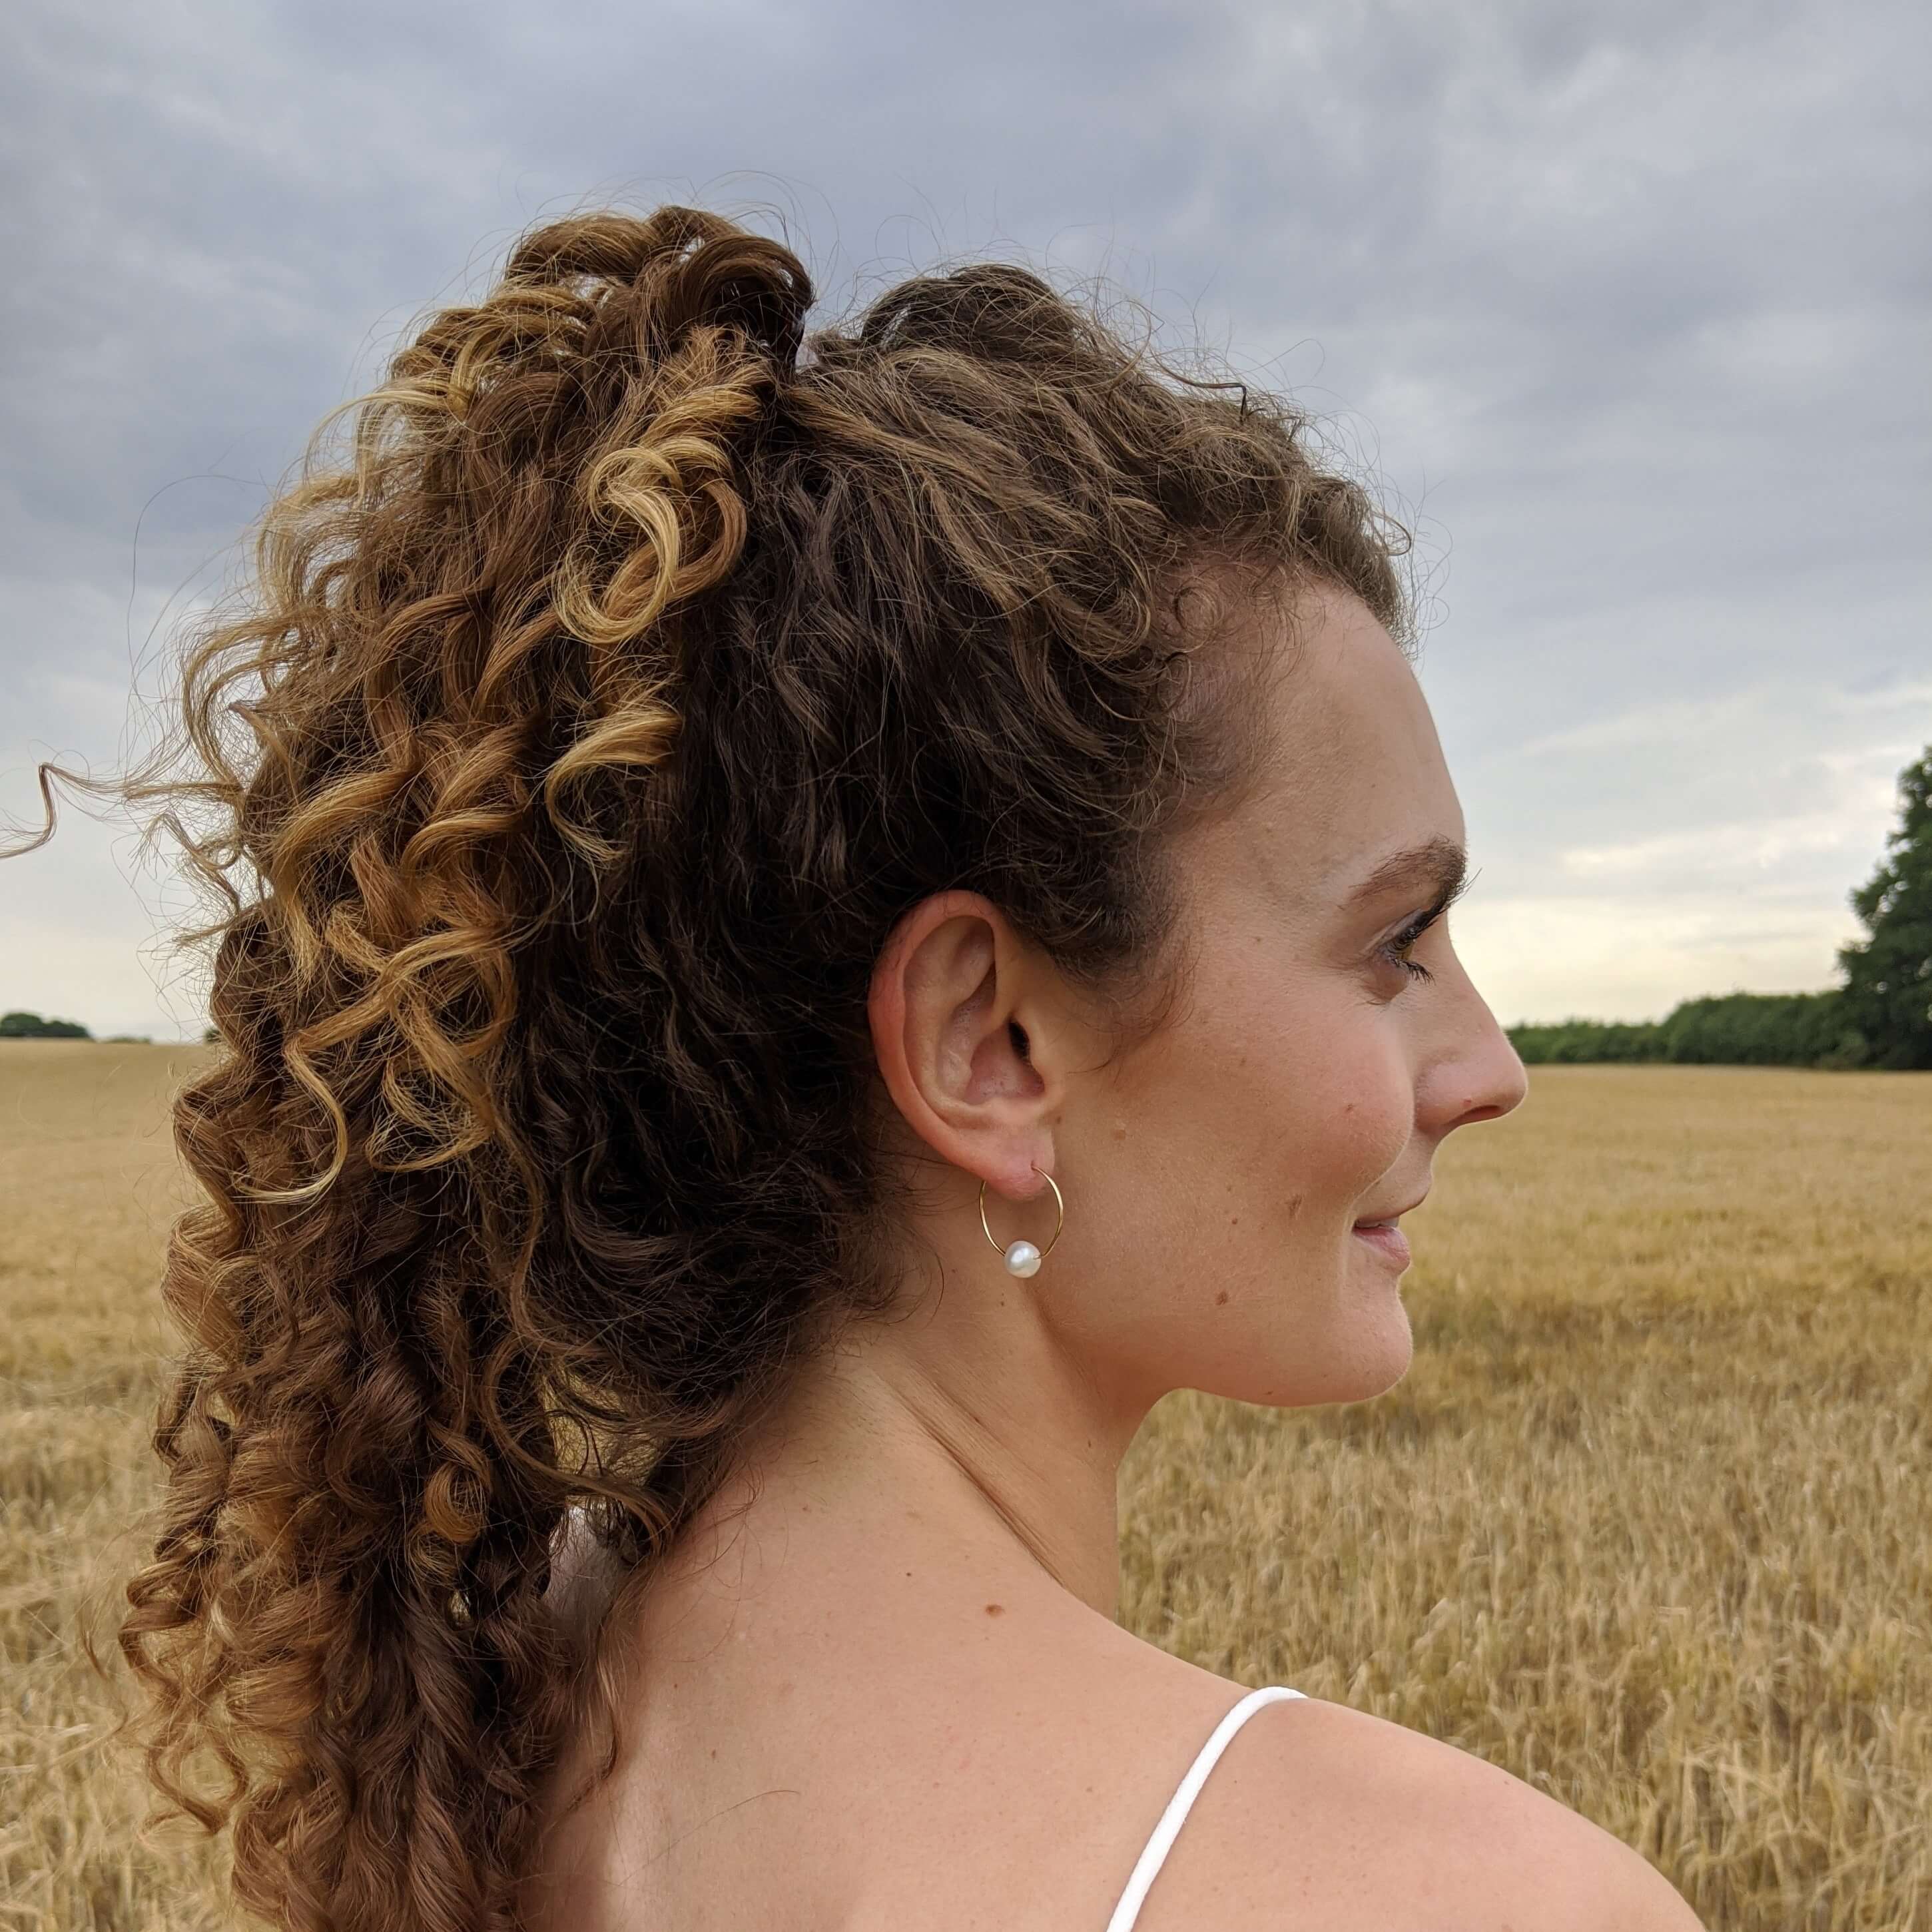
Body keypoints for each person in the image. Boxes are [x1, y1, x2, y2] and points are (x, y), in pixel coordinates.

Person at [17, 202, 1703, 1931]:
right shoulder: (1458, 1904)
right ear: (990, 1043)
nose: (1489, 1065)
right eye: (1394, 945)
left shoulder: (498, 1709)